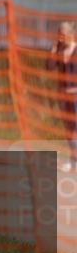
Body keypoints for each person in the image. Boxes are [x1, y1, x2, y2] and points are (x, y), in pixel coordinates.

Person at [48, 22, 77, 172]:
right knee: (69, 129)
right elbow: (49, 67)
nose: (60, 38)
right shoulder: (59, 50)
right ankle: (73, 162)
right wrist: (54, 49)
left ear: (71, 35)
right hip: (63, 95)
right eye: (59, 34)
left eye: (63, 35)